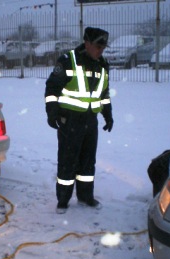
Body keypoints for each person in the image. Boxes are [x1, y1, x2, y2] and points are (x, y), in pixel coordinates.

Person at [44, 27, 114, 214]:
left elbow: (104, 93)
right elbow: (52, 88)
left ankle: (85, 197)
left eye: (103, 47)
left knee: (87, 162)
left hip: (91, 121)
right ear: (87, 43)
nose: (101, 50)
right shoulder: (69, 61)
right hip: (70, 120)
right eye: (98, 46)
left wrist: (108, 114)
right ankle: (63, 200)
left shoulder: (103, 64)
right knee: (68, 161)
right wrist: (52, 112)